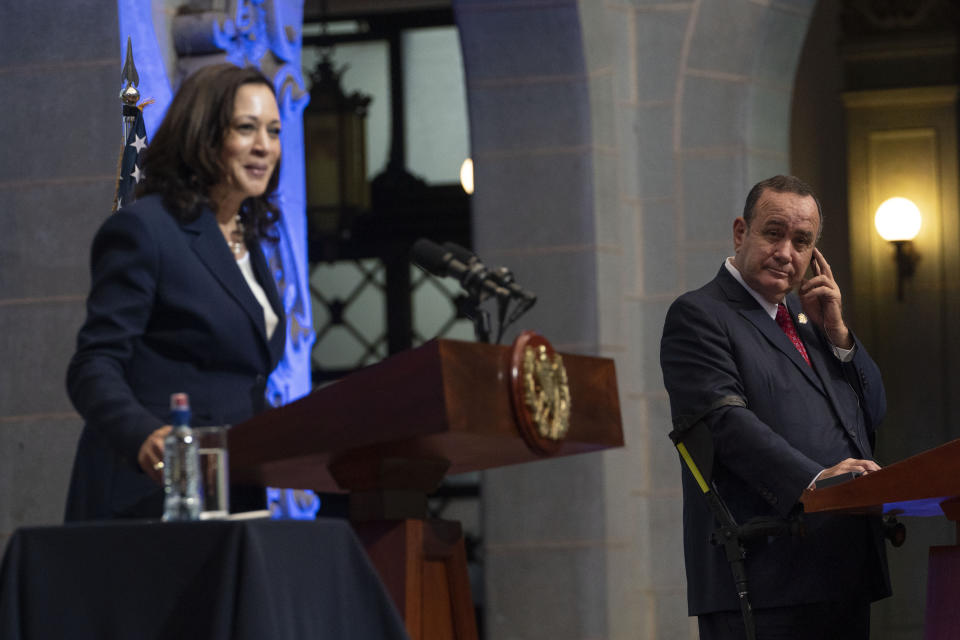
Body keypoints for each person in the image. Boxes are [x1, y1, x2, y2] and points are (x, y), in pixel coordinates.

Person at [659, 175, 890, 638]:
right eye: (774, 232)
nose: (787, 252)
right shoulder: (700, 315)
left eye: (801, 241)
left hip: (840, 569)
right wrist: (815, 481)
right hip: (762, 574)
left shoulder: (812, 322)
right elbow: (725, 423)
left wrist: (839, 335)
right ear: (741, 232)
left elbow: (873, 414)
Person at [65, 64, 286, 520]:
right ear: (203, 137)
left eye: (274, 130)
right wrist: (144, 435)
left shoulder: (248, 238)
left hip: (234, 492)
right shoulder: (147, 230)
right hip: (153, 494)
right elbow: (94, 365)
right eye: (246, 128)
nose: (265, 146)